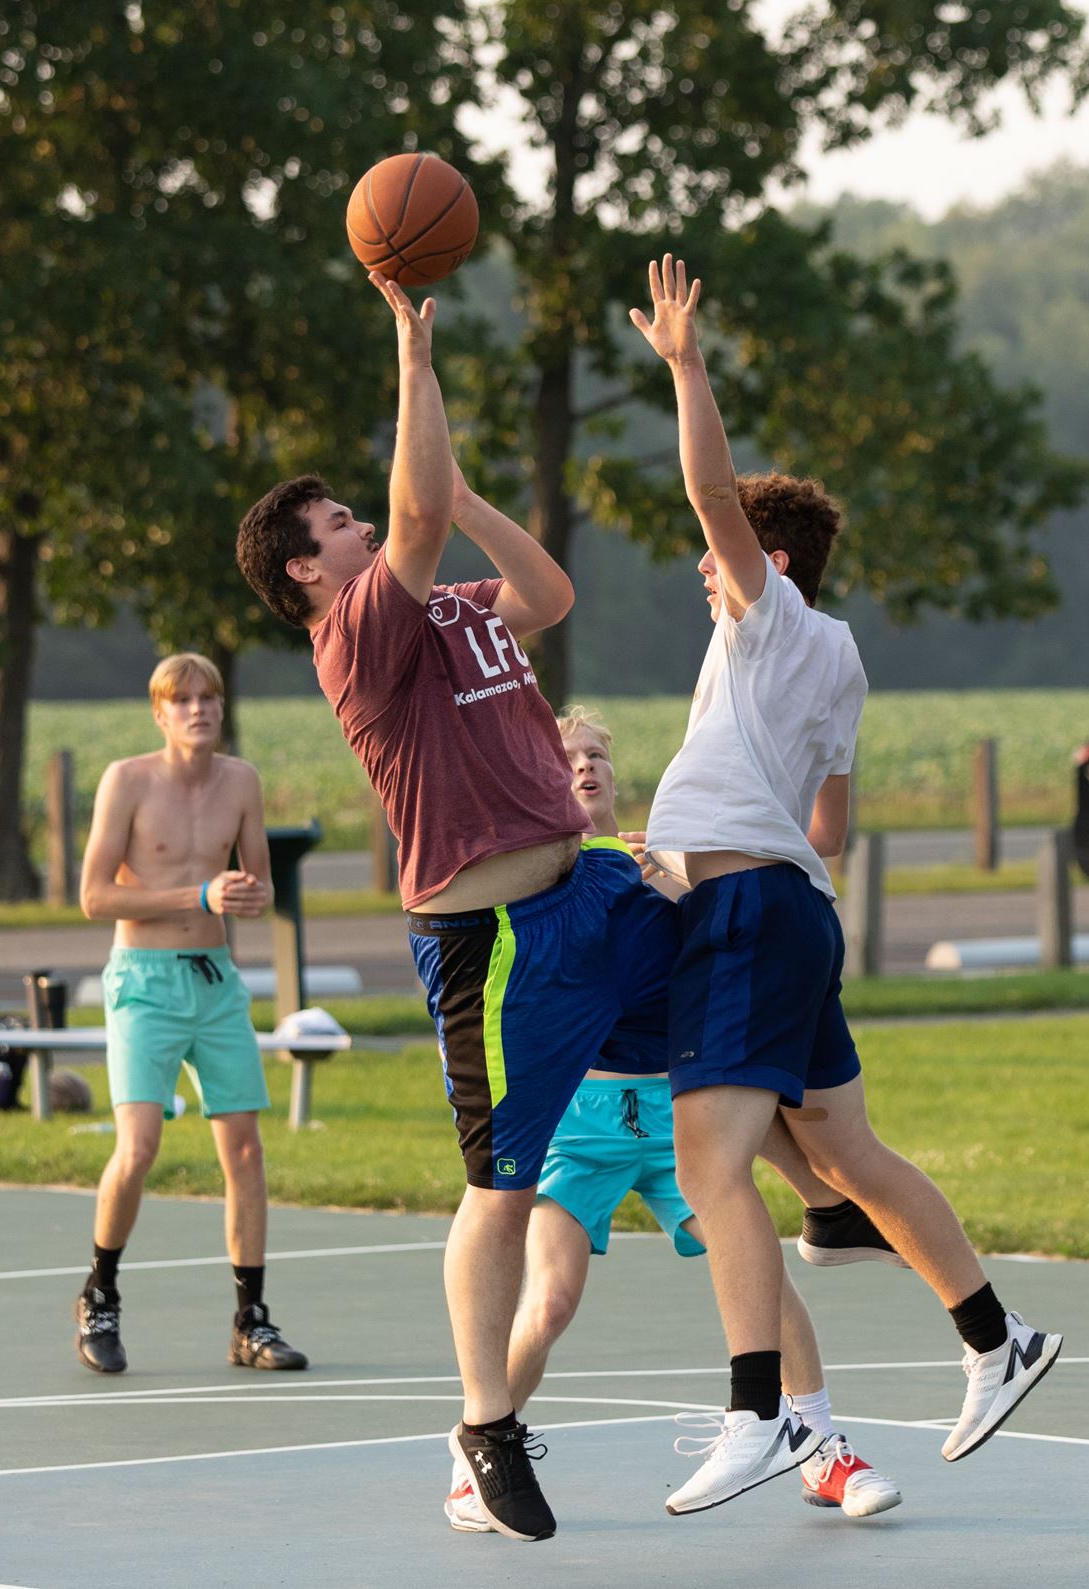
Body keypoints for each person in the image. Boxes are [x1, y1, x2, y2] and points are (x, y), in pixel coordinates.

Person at [624, 256, 1061, 1517]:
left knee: (710, 1168)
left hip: (747, 914)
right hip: (790, 905)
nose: (699, 572)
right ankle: (996, 1336)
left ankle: (761, 1408)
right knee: (848, 1151)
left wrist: (686, 363)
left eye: (713, 558)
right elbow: (830, 820)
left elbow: (709, 487)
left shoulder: (763, 616)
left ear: (756, 557)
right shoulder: (838, 658)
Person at [233, 275, 653, 1543]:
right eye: (342, 520)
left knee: (735, 1005)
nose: (368, 522)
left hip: (583, 889)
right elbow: (414, 506)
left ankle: (809, 1262)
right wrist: (411, 350)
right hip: (491, 941)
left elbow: (548, 594)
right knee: (503, 1189)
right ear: (311, 568)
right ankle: (486, 1416)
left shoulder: (458, 610)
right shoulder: (358, 636)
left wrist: (467, 502)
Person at [445, 706, 903, 1533]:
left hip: (677, 1107)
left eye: (594, 755)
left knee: (758, 1268)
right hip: (581, 1118)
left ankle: (822, 1447)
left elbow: (725, 959)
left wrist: (680, 890)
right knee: (548, 1302)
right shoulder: (543, 880)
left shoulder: (668, 855)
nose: (582, 766)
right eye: (564, 757)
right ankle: (480, 1452)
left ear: (616, 775)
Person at [71, 652, 305, 1378]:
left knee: (244, 1149)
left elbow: (259, 882)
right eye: (184, 699)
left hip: (215, 980)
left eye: (210, 697)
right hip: (142, 981)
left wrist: (247, 895)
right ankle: (99, 1294)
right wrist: (196, 897)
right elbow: (93, 897)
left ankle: (250, 1321)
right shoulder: (128, 780)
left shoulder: (241, 781)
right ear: (160, 712)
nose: (200, 709)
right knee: (138, 1145)